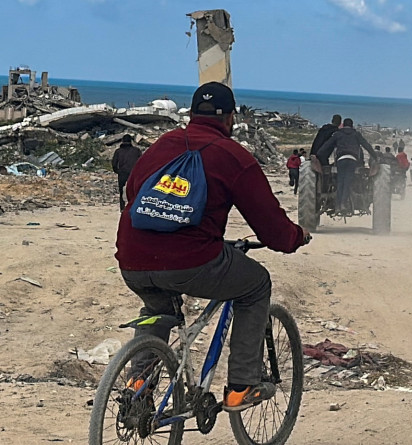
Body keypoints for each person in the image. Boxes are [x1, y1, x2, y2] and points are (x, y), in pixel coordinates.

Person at [116, 82, 309, 413]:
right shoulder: (233, 156)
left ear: (191, 114)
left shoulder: (161, 145)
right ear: (231, 119)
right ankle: (241, 386)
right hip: (191, 261)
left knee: (158, 309)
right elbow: (271, 227)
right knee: (255, 284)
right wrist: (296, 237)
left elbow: (133, 193)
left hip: (132, 259)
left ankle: (138, 385)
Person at [316, 118, 375, 214]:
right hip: (352, 161)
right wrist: (375, 156)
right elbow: (366, 145)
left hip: (340, 161)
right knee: (347, 182)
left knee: (340, 182)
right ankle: (343, 203)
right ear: (352, 125)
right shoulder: (356, 134)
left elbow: (327, 145)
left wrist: (318, 154)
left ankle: (338, 206)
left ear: (343, 125)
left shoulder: (337, 134)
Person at [111, 135, 143, 210]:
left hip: (122, 173)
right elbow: (141, 162)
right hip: (134, 173)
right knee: (135, 191)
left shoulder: (118, 151)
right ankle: (134, 207)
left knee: (122, 192)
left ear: (122, 141)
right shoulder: (136, 150)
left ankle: (122, 209)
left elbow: (114, 164)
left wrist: (118, 171)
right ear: (131, 141)